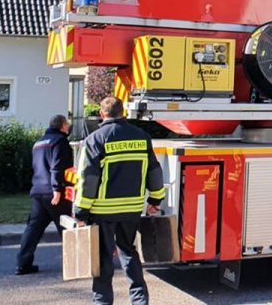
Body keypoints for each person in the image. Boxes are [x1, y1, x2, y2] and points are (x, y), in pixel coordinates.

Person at [74, 97, 166, 305]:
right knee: (129, 252)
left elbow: (88, 180)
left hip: (103, 211)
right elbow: (154, 171)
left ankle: (102, 302)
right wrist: (155, 199)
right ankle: (140, 300)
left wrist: (81, 211)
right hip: (132, 208)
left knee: (104, 257)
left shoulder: (95, 139)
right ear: (123, 113)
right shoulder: (142, 136)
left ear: (102, 114)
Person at [16, 114, 74, 275]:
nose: (68, 127)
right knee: (67, 228)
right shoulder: (59, 141)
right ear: (62, 126)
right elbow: (57, 167)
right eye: (67, 125)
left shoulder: (38, 143)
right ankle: (73, 263)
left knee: (33, 230)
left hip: (38, 191)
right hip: (54, 193)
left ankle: (23, 264)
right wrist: (57, 189)